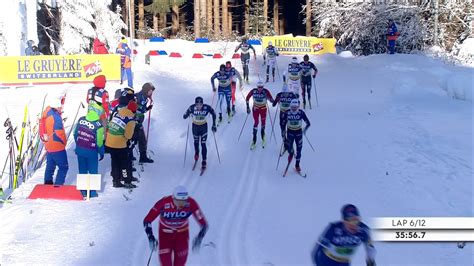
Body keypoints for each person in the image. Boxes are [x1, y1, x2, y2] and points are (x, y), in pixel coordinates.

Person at [143, 185, 208, 266]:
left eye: (184, 201)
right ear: (173, 198)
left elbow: (204, 224)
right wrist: (150, 237)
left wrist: (200, 237)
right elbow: (147, 220)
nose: (181, 205)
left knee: (180, 263)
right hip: (165, 235)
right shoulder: (163, 202)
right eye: (178, 201)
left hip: (182, 235)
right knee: (165, 263)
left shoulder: (191, 203)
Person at [311, 204, 376, 266]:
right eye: (349, 221)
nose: (353, 224)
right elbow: (317, 250)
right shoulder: (333, 229)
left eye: (356, 220)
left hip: (344, 262)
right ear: (343, 221)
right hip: (326, 261)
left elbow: (370, 249)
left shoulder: (364, 230)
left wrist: (371, 262)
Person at [73, 101, 105, 197]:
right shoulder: (99, 126)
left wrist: (79, 143)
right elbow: (99, 142)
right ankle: (92, 192)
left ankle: (82, 191)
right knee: (93, 171)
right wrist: (101, 152)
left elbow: (75, 134)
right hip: (91, 152)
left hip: (80, 150)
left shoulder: (81, 119)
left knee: (82, 170)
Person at [105, 95, 137, 188]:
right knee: (124, 163)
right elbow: (128, 136)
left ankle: (116, 181)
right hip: (119, 144)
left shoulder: (118, 113)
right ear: (134, 111)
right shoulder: (131, 120)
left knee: (114, 162)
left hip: (109, 142)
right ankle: (127, 181)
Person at [39, 95, 68, 185]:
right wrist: (64, 142)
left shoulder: (47, 112)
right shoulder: (56, 117)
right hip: (57, 145)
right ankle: (58, 186)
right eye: (60, 106)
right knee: (63, 167)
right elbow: (59, 133)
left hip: (48, 145)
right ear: (57, 106)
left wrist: (63, 99)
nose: (62, 108)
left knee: (50, 165)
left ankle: (48, 183)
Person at [183, 96, 217, 170]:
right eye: (197, 104)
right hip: (195, 127)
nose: (199, 106)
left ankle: (204, 160)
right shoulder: (192, 108)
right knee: (196, 142)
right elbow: (185, 114)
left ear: (202, 104)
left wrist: (214, 124)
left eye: (200, 104)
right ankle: (197, 153)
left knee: (203, 143)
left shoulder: (206, 107)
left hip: (203, 127)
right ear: (195, 104)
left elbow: (214, 113)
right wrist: (186, 115)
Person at [281, 99, 310, 172]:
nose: (294, 109)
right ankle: (290, 156)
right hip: (290, 132)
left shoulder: (301, 113)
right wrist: (283, 130)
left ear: (298, 106)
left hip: (298, 133)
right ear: (290, 106)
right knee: (290, 150)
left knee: (299, 150)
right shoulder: (287, 112)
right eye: (292, 107)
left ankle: (297, 165)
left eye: (295, 107)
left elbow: (308, 123)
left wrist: (304, 130)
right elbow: (283, 123)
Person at [246, 81, 274, 149]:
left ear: (263, 87)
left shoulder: (266, 91)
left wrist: (272, 101)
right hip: (255, 109)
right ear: (257, 87)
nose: (260, 88)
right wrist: (247, 107)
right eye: (259, 87)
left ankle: (263, 136)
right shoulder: (253, 91)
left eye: (261, 87)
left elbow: (271, 99)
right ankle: (254, 139)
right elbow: (247, 98)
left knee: (263, 123)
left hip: (263, 109)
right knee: (256, 122)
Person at [272, 83, 298, 151]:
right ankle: (285, 143)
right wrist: (275, 102)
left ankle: (290, 144)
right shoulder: (279, 95)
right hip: (282, 114)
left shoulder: (292, 95)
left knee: (290, 130)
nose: (285, 94)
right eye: (284, 93)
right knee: (283, 129)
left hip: (290, 114)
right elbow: (274, 104)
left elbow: (297, 103)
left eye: (286, 93)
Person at [134, 82, 155, 163]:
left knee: (141, 140)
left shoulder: (145, 97)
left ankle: (143, 157)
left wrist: (147, 108)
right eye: (150, 91)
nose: (151, 92)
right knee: (137, 140)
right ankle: (131, 157)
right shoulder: (139, 97)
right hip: (135, 122)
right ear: (146, 90)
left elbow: (142, 109)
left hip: (138, 121)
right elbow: (135, 109)